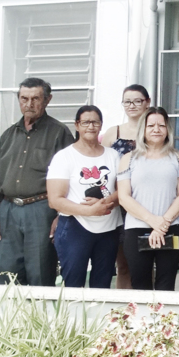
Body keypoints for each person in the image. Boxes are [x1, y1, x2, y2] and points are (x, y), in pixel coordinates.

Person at [0, 77, 75, 286]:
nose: (29, 104)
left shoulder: (59, 133)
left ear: (47, 100)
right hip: (8, 210)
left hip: (41, 210)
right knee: (7, 276)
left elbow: (73, 178)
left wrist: (60, 216)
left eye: (36, 98)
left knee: (40, 273)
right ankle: (9, 319)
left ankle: (39, 319)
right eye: (24, 98)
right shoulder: (8, 135)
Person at [47, 105, 121, 289]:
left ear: (101, 125)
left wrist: (105, 203)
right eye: (86, 122)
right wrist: (89, 210)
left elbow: (124, 191)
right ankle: (71, 318)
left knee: (103, 284)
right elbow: (55, 199)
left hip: (109, 228)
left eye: (95, 122)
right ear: (77, 125)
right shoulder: (64, 157)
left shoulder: (113, 156)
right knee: (73, 282)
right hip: (75, 227)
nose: (91, 126)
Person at [117, 107, 179, 291]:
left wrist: (163, 223)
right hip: (137, 230)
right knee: (140, 285)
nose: (156, 129)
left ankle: (164, 320)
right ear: (143, 129)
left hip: (171, 229)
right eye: (151, 125)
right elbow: (124, 197)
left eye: (161, 125)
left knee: (166, 285)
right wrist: (153, 222)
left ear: (168, 130)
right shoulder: (129, 159)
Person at [102, 83, 151, 289]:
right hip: (119, 205)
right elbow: (102, 169)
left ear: (147, 103)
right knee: (123, 264)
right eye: (127, 101)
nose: (132, 105)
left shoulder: (155, 131)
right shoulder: (113, 133)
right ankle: (124, 312)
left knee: (147, 263)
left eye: (137, 101)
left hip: (148, 204)